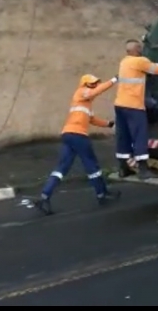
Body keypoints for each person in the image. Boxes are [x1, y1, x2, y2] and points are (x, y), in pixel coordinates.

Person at [33, 74, 121, 216]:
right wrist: (114, 80)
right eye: (91, 84)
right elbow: (94, 92)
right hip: (78, 135)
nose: (94, 86)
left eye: (95, 84)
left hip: (68, 135)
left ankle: (44, 197)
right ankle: (102, 195)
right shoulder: (81, 93)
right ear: (84, 84)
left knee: (61, 168)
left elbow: (92, 119)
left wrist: (109, 124)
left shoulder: (85, 103)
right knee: (93, 167)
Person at [114, 39, 158, 179]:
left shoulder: (124, 62)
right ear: (136, 49)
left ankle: (123, 169)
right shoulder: (140, 61)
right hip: (134, 106)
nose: (142, 49)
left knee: (123, 136)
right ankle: (143, 170)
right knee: (139, 136)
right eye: (140, 47)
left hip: (120, 104)